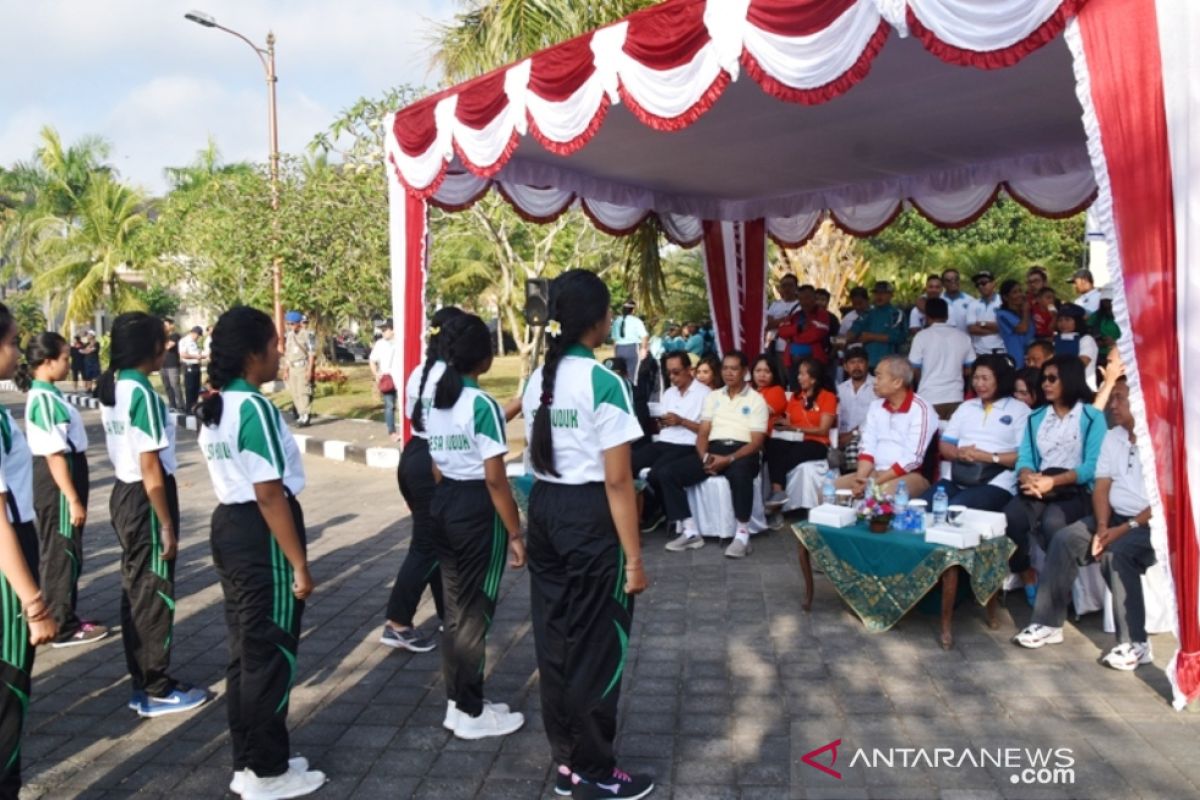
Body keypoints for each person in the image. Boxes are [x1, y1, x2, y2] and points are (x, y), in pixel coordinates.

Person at [520, 269, 652, 800]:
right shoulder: (605, 382)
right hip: (589, 514)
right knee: (600, 645)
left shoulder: (537, 379)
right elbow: (619, 480)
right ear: (600, 321)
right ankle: (596, 770)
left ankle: (568, 763)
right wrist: (636, 561)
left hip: (546, 508)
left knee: (556, 641)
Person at [195, 306, 326, 798]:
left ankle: (249, 761)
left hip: (231, 528)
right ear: (253, 355)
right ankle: (269, 772)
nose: (279, 353)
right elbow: (270, 493)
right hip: (260, 531)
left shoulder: (222, 402)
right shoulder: (252, 408)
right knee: (270, 653)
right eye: (273, 345)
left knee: (246, 654)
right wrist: (299, 563)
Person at [98, 312, 210, 717]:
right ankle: (155, 687)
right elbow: (151, 467)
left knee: (137, 589)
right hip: (145, 498)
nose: (168, 347)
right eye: (162, 341)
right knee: (154, 592)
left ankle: (144, 681)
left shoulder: (118, 384)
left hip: (126, 494)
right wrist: (166, 523)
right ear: (144, 348)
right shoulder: (141, 392)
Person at [423, 314, 527, 740]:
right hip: (474, 509)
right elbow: (495, 478)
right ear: (483, 359)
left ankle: (459, 701)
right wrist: (516, 534)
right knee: (473, 614)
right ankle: (469, 710)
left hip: (445, 500)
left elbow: (434, 464)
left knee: (455, 610)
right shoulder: (481, 405)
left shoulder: (437, 400)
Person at [1013, 381, 1156, 668]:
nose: (1112, 405)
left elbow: (1166, 501)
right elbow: (1102, 485)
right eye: (1112, 398)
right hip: (1113, 517)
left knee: (1117, 554)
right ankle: (1048, 623)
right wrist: (1103, 526)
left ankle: (1136, 643)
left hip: (1152, 524)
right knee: (1065, 539)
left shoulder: (1160, 439)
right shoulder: (1114, 437)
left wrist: (1122, 529)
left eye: (1120, 399)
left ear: (1142, 402)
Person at [0, 304, 58, 799]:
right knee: (8, 690)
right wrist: (34, 603)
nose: (19, 351)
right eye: (14, 342)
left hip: (15, 546)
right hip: (7, 562)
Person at [18, 333, 108, 647]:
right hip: (58, 479)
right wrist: (72, 499)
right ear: (47, 362)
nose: (70, 364)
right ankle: (62, 623)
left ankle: (64, 612)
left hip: (65, 472)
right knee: (62, 550)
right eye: (66, 358)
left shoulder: (48, 393)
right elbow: (55, 455)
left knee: (66, 548)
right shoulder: (42, 398)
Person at [384, 306, 464, 652]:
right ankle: (397, 622)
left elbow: (409, 416)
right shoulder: (451, 377)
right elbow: (461, 428)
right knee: (427, 546)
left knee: (435, 542)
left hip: (413, 455)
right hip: (433, 461)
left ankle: (449, 614)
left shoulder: (419, 372)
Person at [1003, 356, 1106, 606]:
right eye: (1044, 379)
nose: (1045, 384)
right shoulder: (1036, 417)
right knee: (1010, 518)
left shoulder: (1092, 417)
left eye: (1052, 379)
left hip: (1076, 487)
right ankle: (1026, 572)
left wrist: (1054, 482)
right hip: (1041, 484)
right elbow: (1025, 456)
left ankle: (1056, 591)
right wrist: (1027, 474)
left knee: (1054, 523)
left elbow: (1092, 466)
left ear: (1070, 380)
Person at [656, 351, 769, 558]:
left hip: (742, 451)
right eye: (725, 368)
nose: (728, 373)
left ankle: (742, 535)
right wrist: (704, 457)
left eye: (734, 368)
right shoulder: (713, 396)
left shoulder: (756, 400)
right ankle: (690, 532)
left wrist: (729, 459)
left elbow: (757, 442)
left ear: (744, 371)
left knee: (740, 474)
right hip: (714, 449)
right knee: (666, 473)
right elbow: (703, 432)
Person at [921, 356, 1031, 512]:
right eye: (976, 378)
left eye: (985, 378)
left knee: (956, 509)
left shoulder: (1020, 411)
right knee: (920, 508)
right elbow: (945, 444)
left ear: (1001, 379)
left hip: (997, 482)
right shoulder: (966, 407)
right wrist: (959, 454)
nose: (979, 384)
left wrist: (987, 457)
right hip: (957, 477)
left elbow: (1024, 456)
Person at [835, 355, 937, 498]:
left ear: (897, 382)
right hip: (875, 472)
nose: (874, 382)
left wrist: (874, 482)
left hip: (910, 476)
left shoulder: (921, 409)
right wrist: (860, 480)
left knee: (880, 497)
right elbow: (867, 447)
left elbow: (912, 459)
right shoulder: (876, 406)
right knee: (832, 489)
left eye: (879, 377)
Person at [633, 351, 710, 532]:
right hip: (665, 441)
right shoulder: (669, 393)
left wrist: (681, 421)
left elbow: (708, 431)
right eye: (669, 373)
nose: (672, 377)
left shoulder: (705, 394)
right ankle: (650, 508)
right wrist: (664, 423)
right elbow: (665, 424)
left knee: (657, 473)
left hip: (687, 445)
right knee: (629, 462)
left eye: (676, 372)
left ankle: (662, 512)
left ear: (689, 370)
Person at [765, 359, 837, 505]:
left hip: (817, 443)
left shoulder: (827, 397)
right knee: (772, 446)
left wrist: (795, 428)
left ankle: (778, 492)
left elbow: (823, 430)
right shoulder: (795, 397)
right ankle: (778, 492)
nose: (798, 377)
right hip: (794, 439)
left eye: (803, 374)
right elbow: (789, 421)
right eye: (799, 374)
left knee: (783, 457)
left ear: (814, 378)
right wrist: (781, 423)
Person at [908, 297, 975, 420]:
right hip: (956, 397)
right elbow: (971, 369)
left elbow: (914, 369)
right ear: (947, 315)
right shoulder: (963, 337)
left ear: (927, 315)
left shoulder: (921, 337)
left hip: (928, 396)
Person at [834, 346, 875, 473]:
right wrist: (837, 438)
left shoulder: (877, 387)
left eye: (860, 362)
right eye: (852, 363)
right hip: (840, 440)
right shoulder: (839, 390)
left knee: (853, 452)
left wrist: (852, 435)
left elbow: (874, 419)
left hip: (866, 438)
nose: (856, 367)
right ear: (845, 366)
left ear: (867, 364)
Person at [848, 281, 906, 369]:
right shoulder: (867, 313)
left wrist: (872, 337)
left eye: (883, 293)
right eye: (876, 293)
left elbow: (899, 337)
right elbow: (853, 331)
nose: (879, 296)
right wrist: (841, 340)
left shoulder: (896, 314)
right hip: (868, 363)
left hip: (889, 365)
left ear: (891, 295)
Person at [1053, 304, 1099, 390]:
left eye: (1067, 320)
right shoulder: (1056, 340)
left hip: (1084, 388)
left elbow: (1080, 365)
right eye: (1060, 320)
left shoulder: (1086, 339)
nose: (1063, 323)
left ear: (1077, 321)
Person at [283, 312, 316, 426]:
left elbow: (311, 354)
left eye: (292, 324)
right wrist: (286, 370)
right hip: (292, 367)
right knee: (294, 392)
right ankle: (300, 414)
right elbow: (288, 354)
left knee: (303, 391)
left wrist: (309, 370)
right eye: (288, 324)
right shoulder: (289, 336)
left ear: (298, 323)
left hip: (302, 367)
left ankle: (306, 415)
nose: (290, 326)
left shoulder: (307, 335)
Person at [369, 321, 399, 441]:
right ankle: (392, 431)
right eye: (381, 330)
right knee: (389, 405)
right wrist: (376, 374)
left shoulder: (400, 341)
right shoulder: (379, 344)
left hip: (401, 377)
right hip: (387, 379)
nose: (383, 332)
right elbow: (372, 360)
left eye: (385, 329)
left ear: (393, 329)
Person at [764, 274, 800, 372]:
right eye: (784, 285)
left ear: (796, 287)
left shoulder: (801, 306)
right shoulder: (775, 305)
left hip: (795, 350)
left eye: (790, 285)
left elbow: (797, 326)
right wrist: (786, 320)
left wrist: (777, 322)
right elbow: (768, 325)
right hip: (776, 348)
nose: (787, 288)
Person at [996, 279, 1035, 366]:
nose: (1020, 295)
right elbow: (1022, 329)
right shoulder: (1002, 314)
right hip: (1016, 359)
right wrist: (1026, 311)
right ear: (1005, 297)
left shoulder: (1026, 314)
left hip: (1031, 358)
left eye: (1020, 291)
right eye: (1015, 292)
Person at [610, 299, 648, 386]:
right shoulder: (636, 321)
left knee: (620, 375)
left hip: (619, 349)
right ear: (633, 310)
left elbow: (614, 341)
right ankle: (632, 396)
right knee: (632, 376)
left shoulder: (616, 321)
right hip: (632, 349)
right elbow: (644, 336)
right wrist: (643, 349)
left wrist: (615, 353)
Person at [967, 272, 1005, 355]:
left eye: (984, 283)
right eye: (977, 285)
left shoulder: (1003, 302)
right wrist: (995, 329)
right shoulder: (973, 304)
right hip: (979, 353)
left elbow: (1004, 326)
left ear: (994, 283)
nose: (980, 286)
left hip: (1001, 351)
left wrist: (981, 323)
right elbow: (972, 329)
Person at [750, 354, 787, 433]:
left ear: (774, 374)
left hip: (766, 436)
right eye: (758, 371)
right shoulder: (747, 388)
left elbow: (760, 412)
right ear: (752, 373)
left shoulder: (777, 390)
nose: (762, 375)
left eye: (767, 371)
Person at [1090, 290, 1121, 365]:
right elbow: (1088, 332)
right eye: (1104, 300)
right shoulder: (1096, 316)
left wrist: (1116, 343)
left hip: (1121, 354)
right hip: (1100, 356)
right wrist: (1098, 341)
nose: (1106, 303)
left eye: (1109, 300)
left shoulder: (1125, 315)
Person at [179, 325, 205, 413]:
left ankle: (194, 407)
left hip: (196, 367)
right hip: (189, 367)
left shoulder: (194, 342)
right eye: (197, 335)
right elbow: (183, 354)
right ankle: (189, 408)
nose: (198, 337)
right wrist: (195, 356)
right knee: (190, 389)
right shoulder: (185, 341)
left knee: (196, 388)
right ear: (193, 333)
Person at [1026, 267, 1056, 339]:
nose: (1032, 285)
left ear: (1045, 283)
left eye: (1036, 281)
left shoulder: (1052, 302)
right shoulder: (1024, 301)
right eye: (1030, 282)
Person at [161, 318, 184, 412]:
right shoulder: (162, 337)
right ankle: (172, 405)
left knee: (175, 385)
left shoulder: (175, 335)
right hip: (163, 365)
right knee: (167, 386)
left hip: (173, 364)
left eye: (166, 325)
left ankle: (181, 406)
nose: (164, 327)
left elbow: (168, 346)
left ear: (171, 325)